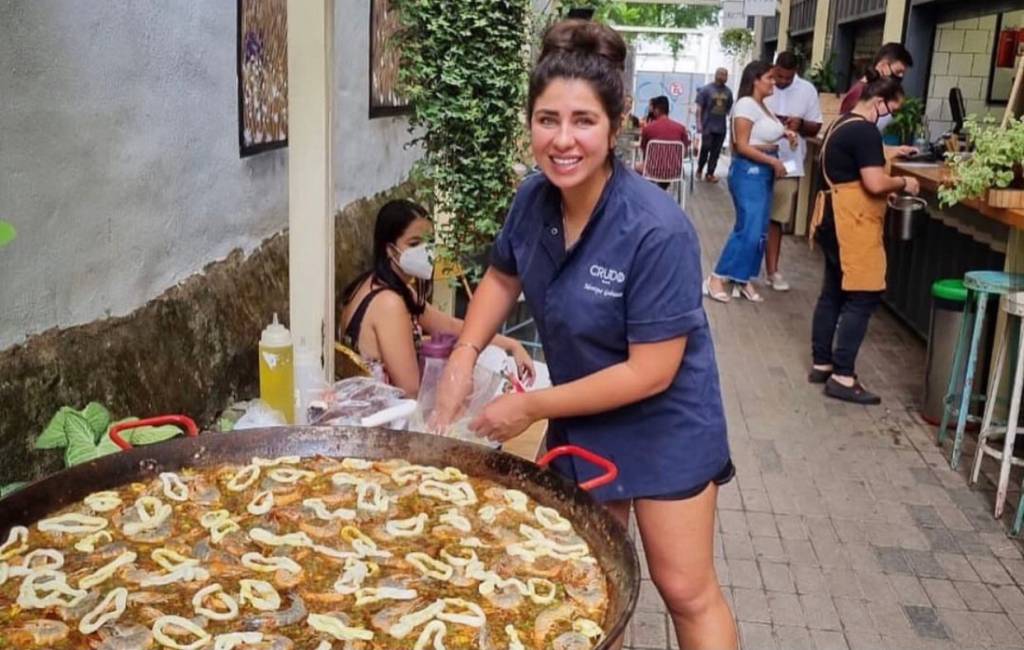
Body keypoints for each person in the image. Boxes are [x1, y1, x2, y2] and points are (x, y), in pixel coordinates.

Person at [431, 19, 737, 650]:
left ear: (616, 125)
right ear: (530, 123)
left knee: (683, 588)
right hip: (582, 413)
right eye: (547, 120)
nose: (562, 140)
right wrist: (464, 352)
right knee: (584, 579)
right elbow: (499, 277)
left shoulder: (657, 229)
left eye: (583, 121)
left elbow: (651, 371)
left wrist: (529, 407)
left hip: (664, 425)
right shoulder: (532, 199)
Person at [338, 199, 533, 397]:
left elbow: (448, 325)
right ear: (389, 249)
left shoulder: (383, 285)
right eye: (414, 243)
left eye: (429, 242)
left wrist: (511, 345)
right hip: (385, 416)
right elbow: (411, 389)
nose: (425, 251)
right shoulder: (389, 304)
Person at [809, 71, 921, 405]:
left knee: (833, 292)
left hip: (831, 217)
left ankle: (822, 363)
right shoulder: (865, 131)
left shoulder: (841, 124)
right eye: (892, 109)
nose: (892, 116)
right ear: (878, 102)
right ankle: (843, 376)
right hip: (851, 222)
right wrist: (903, 184)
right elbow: (873, 183)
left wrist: (889, 155)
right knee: (863, 295)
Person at [705, 61, 797, 304]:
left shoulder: (763, 107)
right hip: (750, 172)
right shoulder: (746, 104)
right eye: (769, 77)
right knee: (749, 228)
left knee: (759, 231)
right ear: (755, 79)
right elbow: (742, 145)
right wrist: (772, 159)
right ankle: (717, 276)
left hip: (764, 172)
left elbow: (762, 135)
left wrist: (785, 134)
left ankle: (743, 277)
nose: (773, 82)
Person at [762, 51, 823, 292]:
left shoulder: (807, 90)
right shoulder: (764, 82)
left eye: (788, 78)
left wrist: (800, 125)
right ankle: (743, 270)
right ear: (774, 68)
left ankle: (772, 271)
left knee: (777, 218)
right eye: (779, 76)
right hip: (759, 159)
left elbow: (816, 126)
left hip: (789, 163)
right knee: (754, 217)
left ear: (796, 72)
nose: (782, 82)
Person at [840, 42, 914, 130]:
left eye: (903, 74)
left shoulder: (880, 92)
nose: (900, 77)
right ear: (883, 65)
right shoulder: (859, 91)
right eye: (898, 71)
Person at [640, 95, 691, 189]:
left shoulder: (648, 129)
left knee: (635, 169)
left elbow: (644, 151)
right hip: (674, 172)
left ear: (656, 110)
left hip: (652, 170)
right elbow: (684, 153)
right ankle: (661, 192)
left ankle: (650, 194)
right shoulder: (681, 128)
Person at [695, 68, 733, 183]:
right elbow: (699, 108)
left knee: (716, 152)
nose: (724, 77)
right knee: (705, 148)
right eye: (721, 74)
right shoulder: (706, 90)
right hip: (708, 125)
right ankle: (700, 168)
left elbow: (729, 108)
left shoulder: (728, 92)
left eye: (726, 75)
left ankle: (710, 173)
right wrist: (699, 124)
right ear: (716, 75)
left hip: (720, 127)